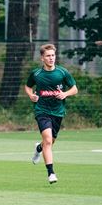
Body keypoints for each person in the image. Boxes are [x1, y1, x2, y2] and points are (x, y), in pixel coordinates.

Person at [24, 43, 78, 184]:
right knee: (48, 140)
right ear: (42, 58)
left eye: (53, 55)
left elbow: (74, 89)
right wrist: (31, 95)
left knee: (50, 141)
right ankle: (51, 173)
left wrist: (65, 94)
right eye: (48, 56)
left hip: (58, 112)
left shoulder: (62, 73)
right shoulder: (36, 74)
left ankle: (38, 148)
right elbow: (28, 86)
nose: (51, 58)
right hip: (41, 110)